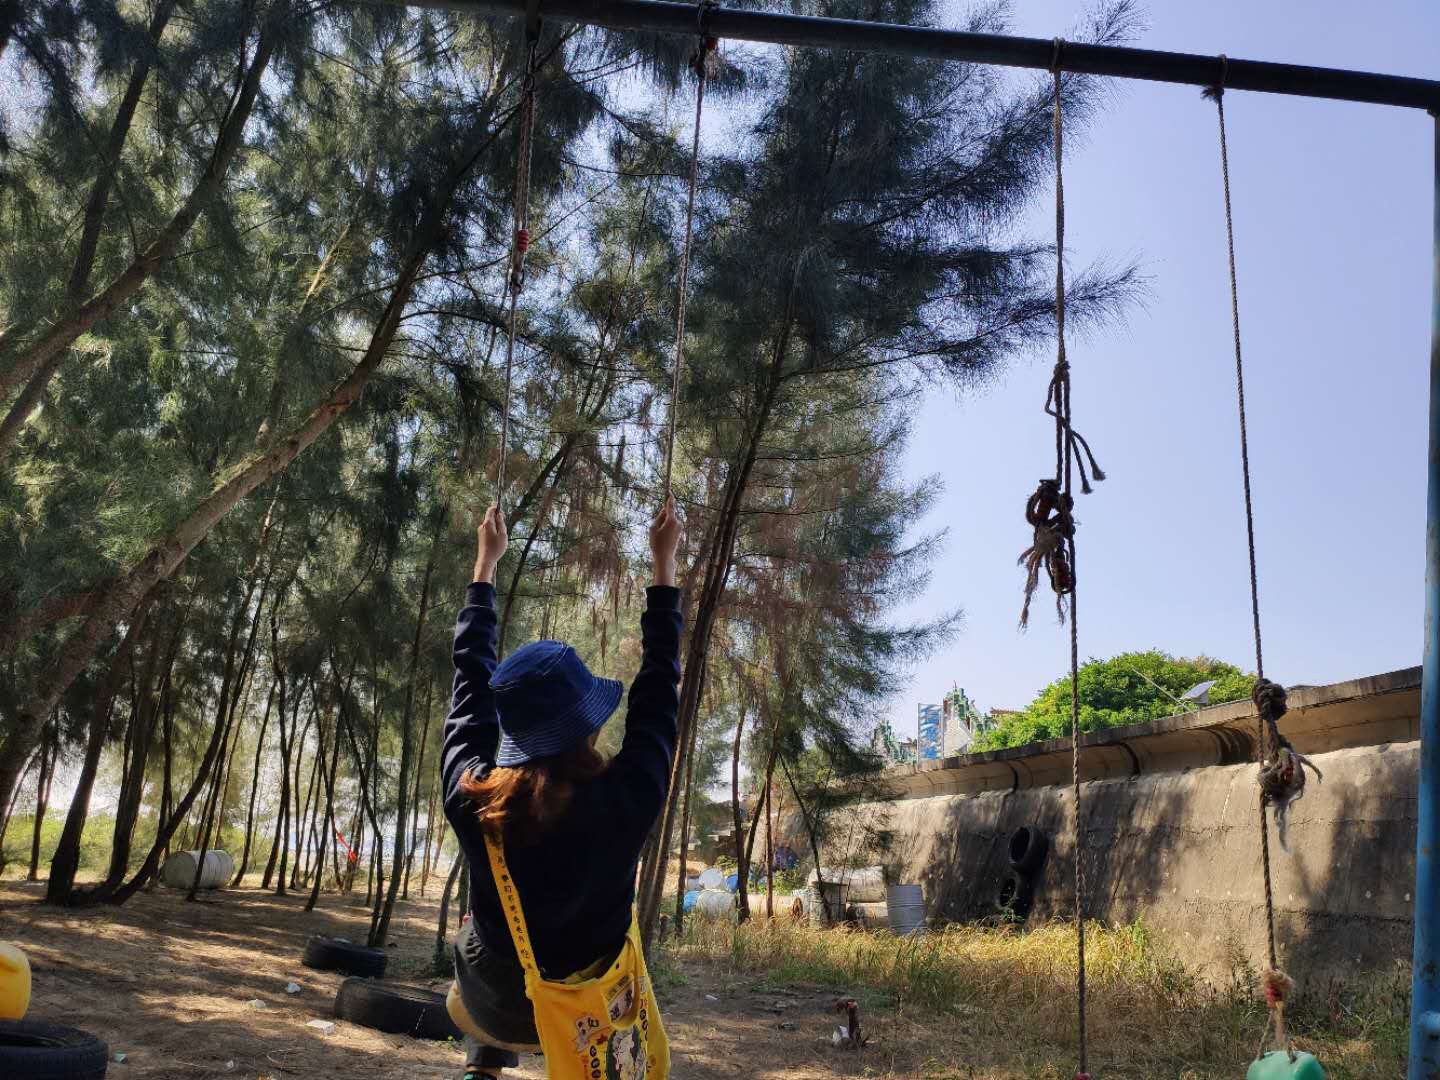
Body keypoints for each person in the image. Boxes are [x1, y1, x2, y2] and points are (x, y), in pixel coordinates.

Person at [440, 495, 684, 1080]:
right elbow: (657, 692)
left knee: (482, 928)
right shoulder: (628, 797)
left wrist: (485, 569)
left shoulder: (472, 798)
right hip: (589, 1012)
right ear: (591, 723)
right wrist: (663, 567)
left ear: (513, 731)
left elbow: (468, 692)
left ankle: (485, 1066)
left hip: (498, 1000)